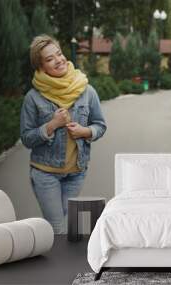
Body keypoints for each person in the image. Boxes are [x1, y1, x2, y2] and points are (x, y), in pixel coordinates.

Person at [20, 34, 107, 233]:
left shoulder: (86, 90)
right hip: (45, 173)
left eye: (59, 54)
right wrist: (52, 125)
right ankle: (56, 263)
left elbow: (100, 125)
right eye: (50, 59)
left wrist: (85, 131)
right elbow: (26, 138)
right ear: (41, 67)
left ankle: (57, 262)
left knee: (66, 224)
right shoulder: (33, 98)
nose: (58, 60)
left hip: (76, 173)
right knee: (57, 227)